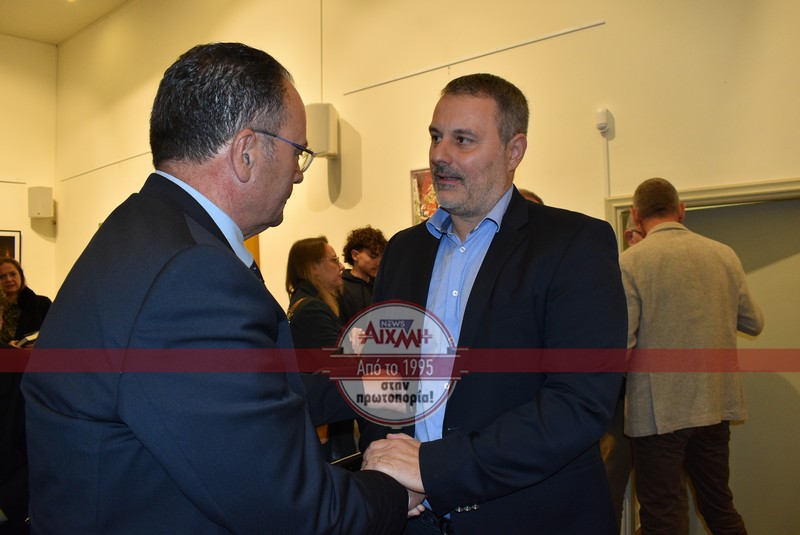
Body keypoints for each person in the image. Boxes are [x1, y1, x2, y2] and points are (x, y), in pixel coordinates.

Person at [21, 43, 416, 534]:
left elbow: (243, 403)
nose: (298, 172)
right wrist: (396, 488)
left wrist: (369, 380)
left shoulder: (142, 230)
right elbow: (291, 510)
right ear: (246, 153)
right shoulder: (190, 275)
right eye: (298, 152)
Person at [360, 73, 628, 534]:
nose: (439, 155)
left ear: (513, 151)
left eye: (463, 140)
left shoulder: (573, 244)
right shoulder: (403, 251)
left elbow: (577, 403)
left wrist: (434, 469)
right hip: (412, 517)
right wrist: (387, 468)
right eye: (436, 136)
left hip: (532, 518)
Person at [621, 177, 764, 535]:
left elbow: (623, 344)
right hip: (714, 406)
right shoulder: (723, 254)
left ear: (636, 216)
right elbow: (754, 322)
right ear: (681, 211)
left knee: (663, 518)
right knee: (720, 508)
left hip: (657, 414)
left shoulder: (631, 262)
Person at [286, 236, 357, 461]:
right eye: (334, 260)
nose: (341, 266)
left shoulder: (305, 303)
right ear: (313, 268)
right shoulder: (312, 309)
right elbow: (341, 364)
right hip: (328, 423)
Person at [599, 209, 642, 530]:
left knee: (661, 497)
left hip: (653, 408)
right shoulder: (618, 271)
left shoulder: (632, 265)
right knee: (610, 487)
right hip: (618, 406)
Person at [337, 225, 387, 325]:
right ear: (355, 255)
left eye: (381, 258)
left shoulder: (381, 286)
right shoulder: (340, 288)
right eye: (373, 256)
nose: (378, 263)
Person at [0, 257, 51, 346]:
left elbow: (54, 334)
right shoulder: (2, 308)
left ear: (21, 276)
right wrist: (7, 346)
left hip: (34, 353)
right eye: (1, 277)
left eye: (13, 274)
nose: (8, 279)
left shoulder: (42, 304)